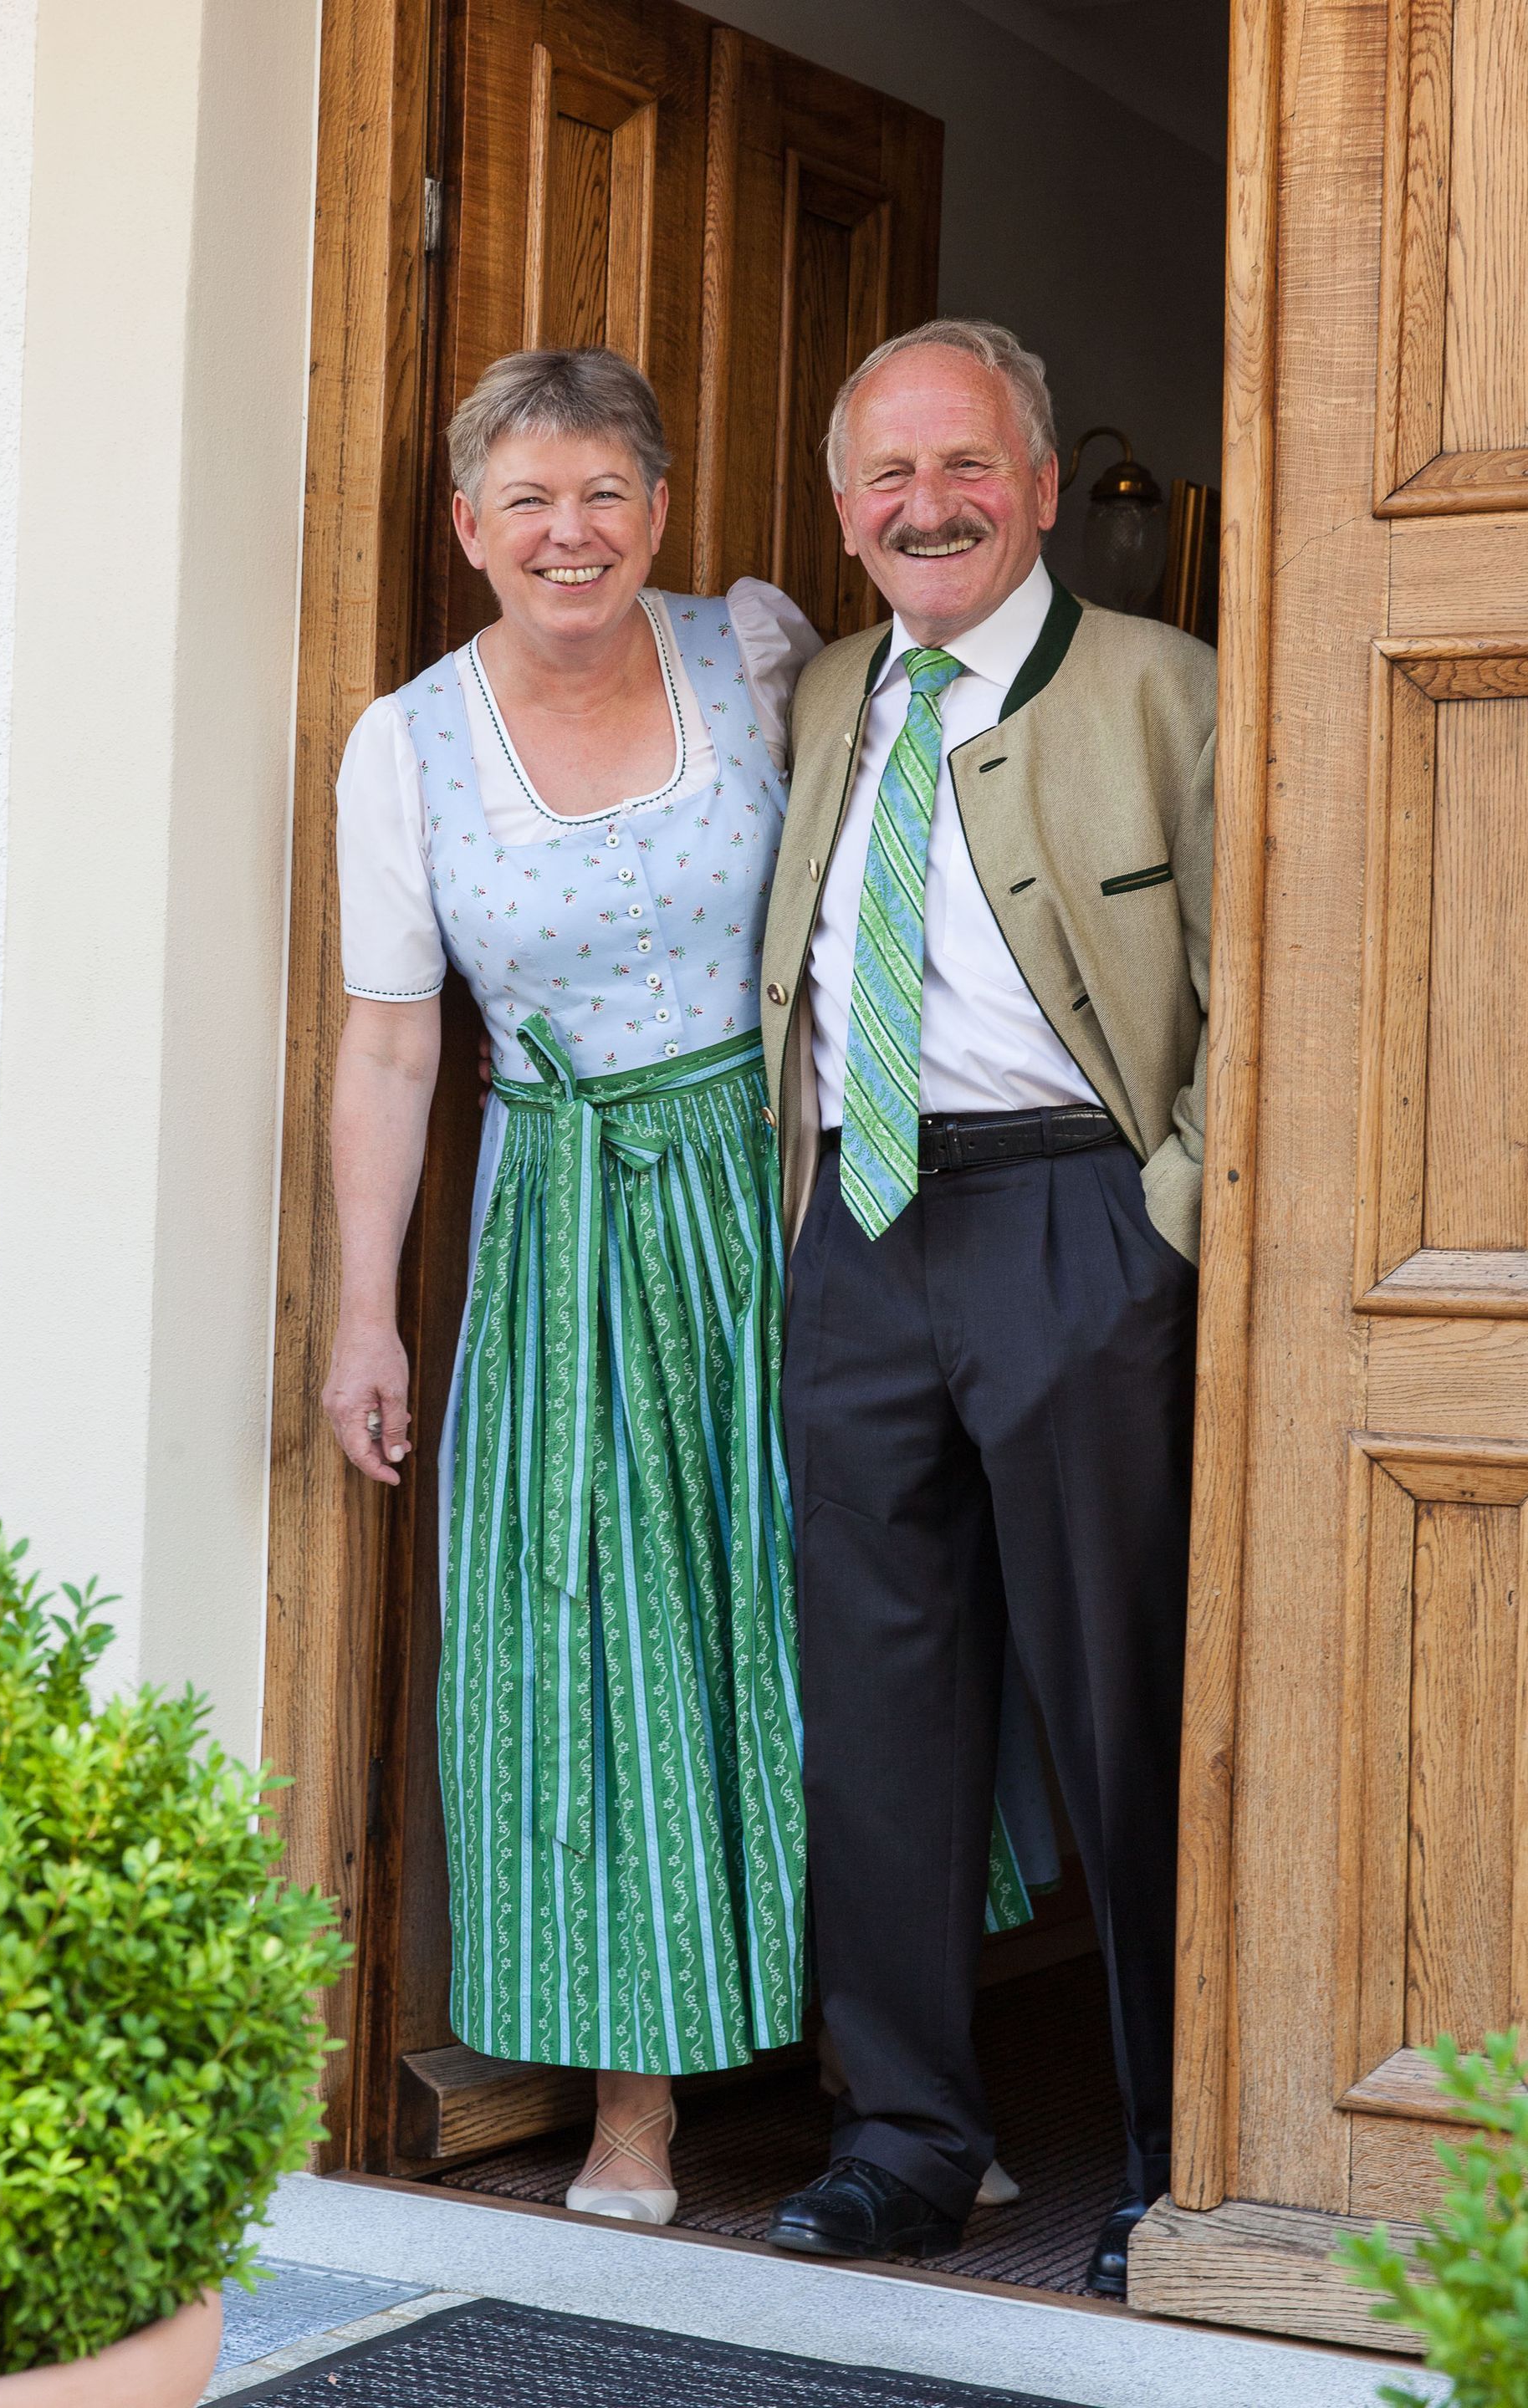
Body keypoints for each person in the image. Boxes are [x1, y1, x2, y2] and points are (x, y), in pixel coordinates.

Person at [323, 347, 822, 2223]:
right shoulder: (406, 746)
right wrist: (364, 1311)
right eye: (528, 499)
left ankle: (891, 2071)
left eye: (607, 491)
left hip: (780, 1191)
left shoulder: (754, 656)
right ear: (468, 528)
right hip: (566, 1225)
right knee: (594, 1644)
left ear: (661, 510)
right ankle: (634, 2107)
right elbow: (392, 1044)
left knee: (834, 1605)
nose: (571, 532)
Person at [759, 319, 1214, 2297]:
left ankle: (1181, 2159)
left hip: (1076, 1228)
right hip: (861, 1229)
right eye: (889, 474)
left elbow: (1266, 987)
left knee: (1127, 1705)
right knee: (879, 1708)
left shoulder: (1168, 688)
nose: (926, 506)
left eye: (965, 468)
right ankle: (907, 2143)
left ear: (1036, 487)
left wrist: (1164, 1226)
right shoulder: (823, 692)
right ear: (843, 506)